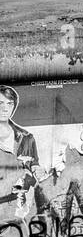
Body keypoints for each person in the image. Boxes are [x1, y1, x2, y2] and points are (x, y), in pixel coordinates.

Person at [0, 83, 44, 219]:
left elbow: (34, 167)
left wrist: (37, 170)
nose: (4, 108)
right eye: (0, 103)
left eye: (9, 104)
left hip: (17, 207)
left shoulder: (26, 138)